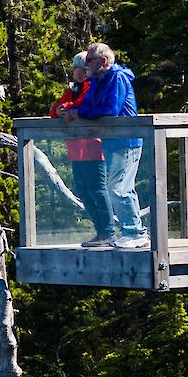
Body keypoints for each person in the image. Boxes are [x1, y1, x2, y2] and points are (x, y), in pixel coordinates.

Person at [64, 42, 146, 249]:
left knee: (119, 188)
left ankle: (136, 232)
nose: (86, 65)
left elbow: (110, 109)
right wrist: (73, 111)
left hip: (127, 140)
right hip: (112, 142)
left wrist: (79, 113)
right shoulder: (97, 81)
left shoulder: (117, 78)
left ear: (104, 61)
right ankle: (130, 231)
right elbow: (89, 105)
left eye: (89, 61)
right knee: (117, 187)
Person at [50, 52, 113, 248]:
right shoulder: (73, 90)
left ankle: (108, 231)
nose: (80, 73)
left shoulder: (91, 87)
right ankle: (100, 230)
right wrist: (60, 110)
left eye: (83, 69)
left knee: (98, 189)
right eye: (78, 69)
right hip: (76, 149)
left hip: (93, 147)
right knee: (83, 190)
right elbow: (54, 111)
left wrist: (66, 108)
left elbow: (85, 106)